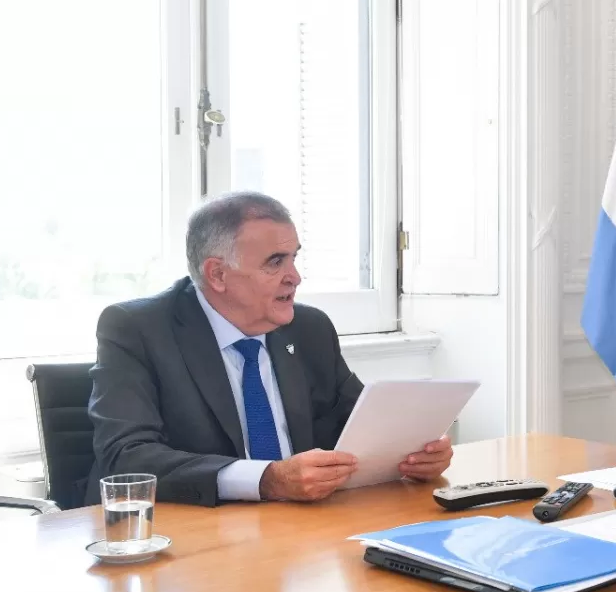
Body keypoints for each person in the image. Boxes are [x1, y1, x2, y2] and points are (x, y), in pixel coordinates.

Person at [85, 191, 453, 506]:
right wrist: (266, 479)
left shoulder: (310, 329)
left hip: (299, 534)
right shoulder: (138, 330)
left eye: (294, 257)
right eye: (275, 262)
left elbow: (363, 426)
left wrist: (415, 454)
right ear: (217, 274)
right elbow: (126, 459)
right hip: (192, 541)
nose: (295, 276)